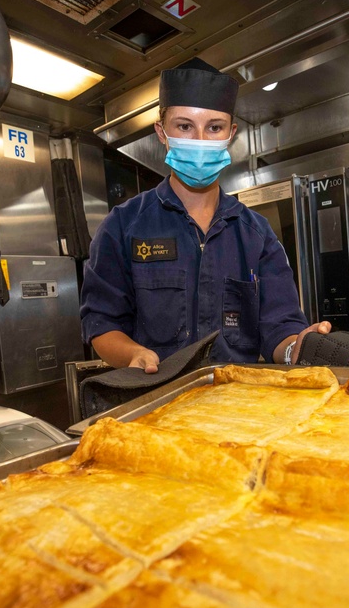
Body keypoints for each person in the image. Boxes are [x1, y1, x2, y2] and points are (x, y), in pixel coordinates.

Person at [80, 58, 330, 373]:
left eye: (214, 127)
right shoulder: (123, 225)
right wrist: (132, 354)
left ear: (231, 133)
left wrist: (296, 347)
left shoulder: (256, 234)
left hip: (237, 405)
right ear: (162, 132)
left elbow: (279, 327)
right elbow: (101, 322)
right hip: (156, 400)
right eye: (184, 126)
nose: (199, 140)